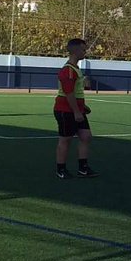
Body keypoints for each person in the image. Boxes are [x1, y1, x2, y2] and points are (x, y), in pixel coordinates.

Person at [54, 39, 99, 179]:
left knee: (86, 136)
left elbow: (76, 92)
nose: (85, 52)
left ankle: (83, 168)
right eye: (83, 50)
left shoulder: (75, 69)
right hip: (65, 111)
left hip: (76, 109)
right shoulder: (68, 70)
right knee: (65, 139)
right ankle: (61, 169)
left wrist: (82, 107)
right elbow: (68, 93)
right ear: (75, 51)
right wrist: (77, 111)